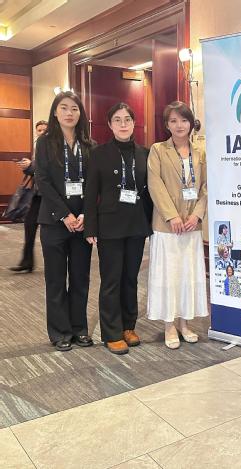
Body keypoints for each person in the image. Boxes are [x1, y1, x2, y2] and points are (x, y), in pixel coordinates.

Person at [84, 103, 152, 355]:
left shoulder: (145, 153)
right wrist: (90, 227)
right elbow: (91, 193)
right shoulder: (99, 154)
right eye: (117, 120)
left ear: (134, 123)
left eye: (127, 120)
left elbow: (150, 192)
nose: (123, 124)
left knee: (130, 278)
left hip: (136, 223)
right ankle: (111, 332)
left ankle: (128, 326)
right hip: (109, 225)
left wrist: (151, 224)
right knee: (111, 279)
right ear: (110, 125)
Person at [35, 91, 94, 352]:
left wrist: (85, 214)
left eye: (74, 109)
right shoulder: (45, 142)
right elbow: (43, 181)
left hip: (82, 222)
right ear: (55, 112)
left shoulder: (89, 145)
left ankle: (79, 328)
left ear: (81, 113)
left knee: (80, 278)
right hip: (54, 221)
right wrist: (65, 215)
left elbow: (94, 183)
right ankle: (60, 332)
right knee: (56, 279)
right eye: (64, 108)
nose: (69, 113)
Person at [147, 101, 209, 350]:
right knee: (169, 275)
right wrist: (172, 216)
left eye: (183, 120)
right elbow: (155, 184)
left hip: (192, 225)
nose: (179, 125)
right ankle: (169, 325)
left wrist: (197, 215)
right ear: (167, 125)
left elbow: (205, 187)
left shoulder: (200, 153)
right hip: (167, 226)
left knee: (187, 275)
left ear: (191, 123)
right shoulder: (158, 150)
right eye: (173, 121)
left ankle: (184, 323)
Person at [10, 120, 48, 273]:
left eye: (45, 129)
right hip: (38, 194)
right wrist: (27, 167)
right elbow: (36, 170)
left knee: (49, 232)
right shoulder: (37, 146)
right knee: (29, 224)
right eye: (39, 130)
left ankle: (56, 263)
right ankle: (27, 261)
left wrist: (30, 165)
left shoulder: (52, 145)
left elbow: (46, 167)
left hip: (50, 196)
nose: (42, 132)